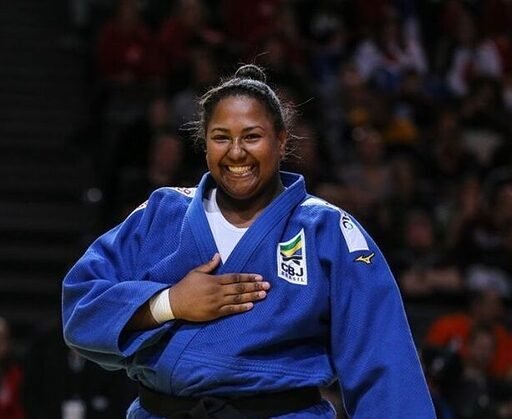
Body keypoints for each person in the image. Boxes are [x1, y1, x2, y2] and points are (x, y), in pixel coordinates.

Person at [62, 64, 435, 418]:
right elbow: (82, 307)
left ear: (281, 140)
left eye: (252, 136)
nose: (236, 152)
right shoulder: (162, 214)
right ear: (204, 143)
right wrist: (170, 303)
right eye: (221, 137)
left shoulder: (327, 231)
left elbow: (385, 365)